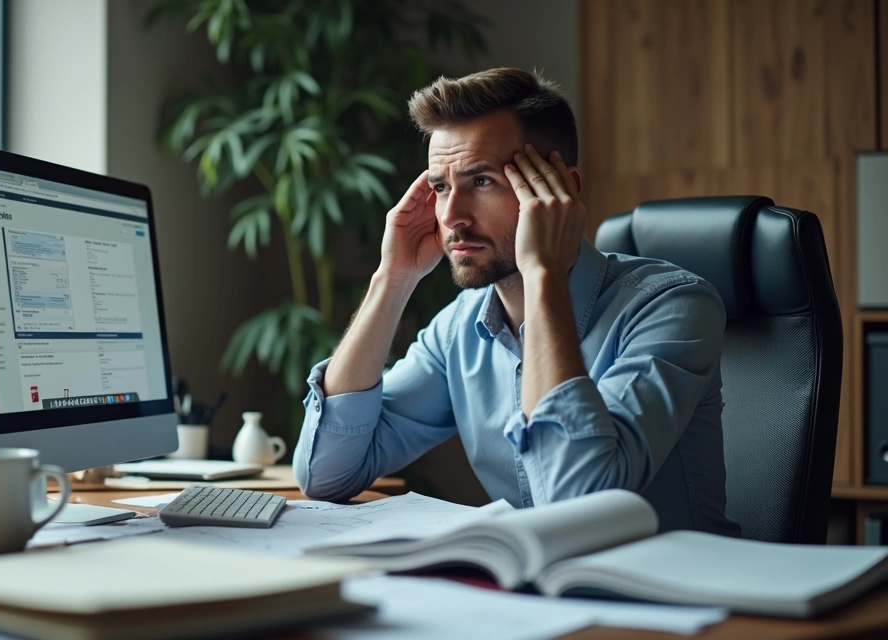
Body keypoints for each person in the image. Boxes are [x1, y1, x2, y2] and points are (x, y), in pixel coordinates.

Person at [293, 67, 739, 536]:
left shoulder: (674, 307)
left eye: (481, 181)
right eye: (440, 187)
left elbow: (574, 507)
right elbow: (326, 474)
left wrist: (542, 271)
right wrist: (393, 278)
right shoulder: (460, 329)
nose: (451, 217)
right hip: (535, 599)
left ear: (559, 190)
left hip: (672, 598)